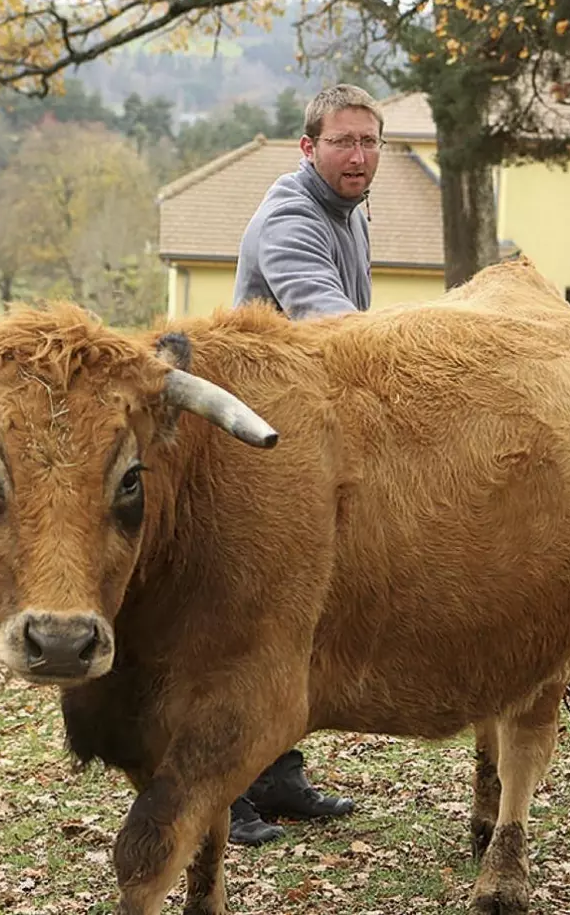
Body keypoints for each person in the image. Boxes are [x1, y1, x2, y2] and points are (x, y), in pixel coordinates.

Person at [229, 84, 385, 846]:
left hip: (305, 437)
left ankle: (278, 773)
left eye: (368, 142)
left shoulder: (350, 210)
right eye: (342, 142)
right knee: (246, 622)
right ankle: (222, 790)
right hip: (253, 452)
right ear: (307, 148)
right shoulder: (292, 218)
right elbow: (334, 326)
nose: (357, 156)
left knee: (304, 616)